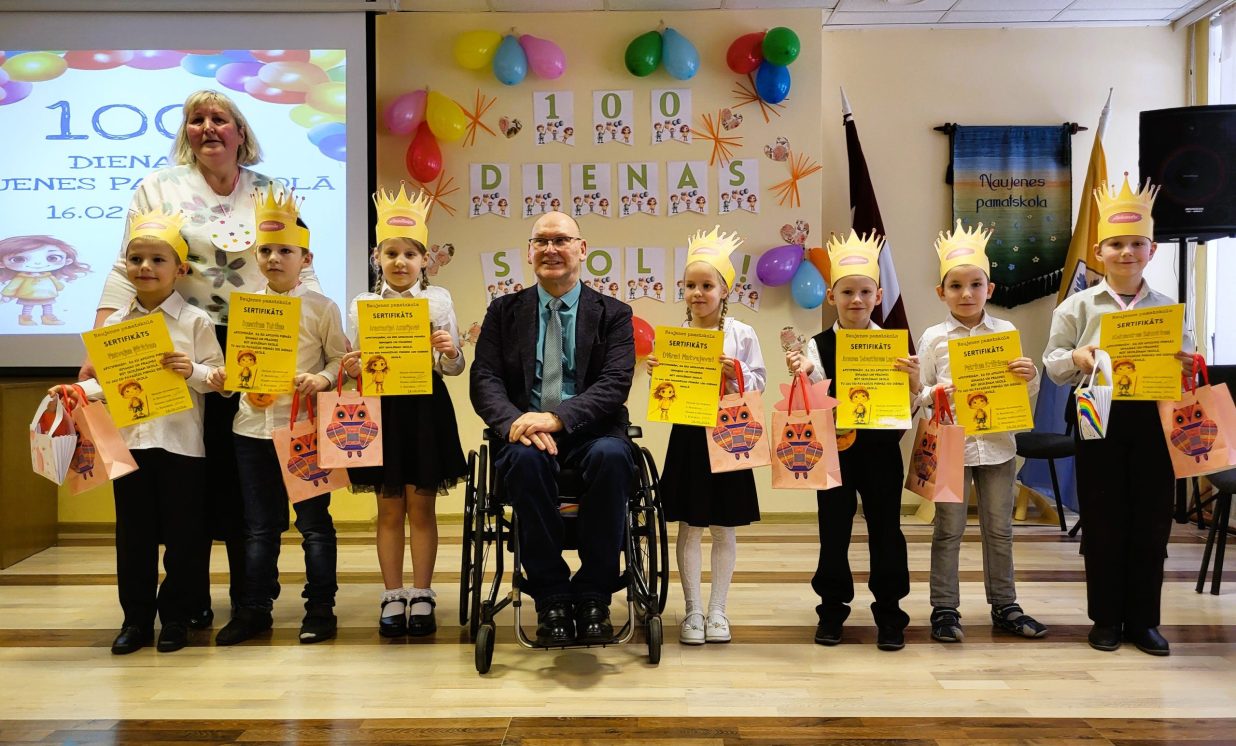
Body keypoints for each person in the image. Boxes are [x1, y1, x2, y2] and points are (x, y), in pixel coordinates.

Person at [89, 89, 321, 632]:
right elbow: (126, 266)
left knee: (247, 477)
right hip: (178, 343)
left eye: (219, 119)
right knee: (185, 480)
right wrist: (99, 342)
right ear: (186, 131)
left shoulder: (271, 192)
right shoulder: (157, 187)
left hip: (259, 340)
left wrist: (309, 337)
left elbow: (301, 267)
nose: (208, 128)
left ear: (241, 131)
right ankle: (188, 599)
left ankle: (251, 598)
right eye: (197, 120)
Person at [51, 208, 223, 654]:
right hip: (130, 445)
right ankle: (136, 621)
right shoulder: (114, 325)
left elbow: (220, 380)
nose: (145, 267)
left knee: (185, 538)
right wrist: (77, 391)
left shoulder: (195, 321)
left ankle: (176, 619)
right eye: (136, 259)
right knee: (133, 537)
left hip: (182, 445)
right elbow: (108, 384)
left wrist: (192, 370)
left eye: (157, 260)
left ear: (179, 269)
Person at [470, 211, 636, 646]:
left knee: (614, 456)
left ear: (582, 249)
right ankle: (551, 595)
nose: (550, 249)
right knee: (524, 461)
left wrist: (558, 418)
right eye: (541, 241)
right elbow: (484, 379)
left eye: (561, 240)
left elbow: (615, 383)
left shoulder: (614, 313)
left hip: (592, 431)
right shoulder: (503, 312)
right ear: (529, 253)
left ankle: (595, 591)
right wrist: (515, 423)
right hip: (526, 433)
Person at [1043, 174, 1193, 656]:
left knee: (1152, 519)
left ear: (1152, 250)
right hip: (1097, 413)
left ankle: (1144, 621)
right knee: (1103, 516)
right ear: (1099, 250)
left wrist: (1187, 365)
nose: (1126, 252)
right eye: (1116, 244)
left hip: (1154, 417)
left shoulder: (1169, 309)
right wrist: (1077, 358)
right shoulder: (1077, 306)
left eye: (1136, 244)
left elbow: (1186, 365)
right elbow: (1052, 362)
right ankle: (1106, 619)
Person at [207, 185, 347, 646]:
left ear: (305, 258)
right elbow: (235, 366)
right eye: (266, 250)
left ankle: (320, 608)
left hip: (302, 429)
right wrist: (226, 377)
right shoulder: (245, 307)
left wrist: (322, 379)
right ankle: (254, 609)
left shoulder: (322, 308)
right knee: (259, 527)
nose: (273, 258)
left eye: (285, 250)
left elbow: (338, 361)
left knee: (314, 525)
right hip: (250, 429)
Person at [342, 185, 468, 638]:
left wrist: (450, 351)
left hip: (425, 410)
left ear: (424, 260)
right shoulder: (362, 305)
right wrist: (353, 369)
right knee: (389, 508)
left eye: (409, 254)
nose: (400, 262)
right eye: (391, 253)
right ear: (377, 257)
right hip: (383, 412)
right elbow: (356, 367)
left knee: (422, 507)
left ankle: (423, 594)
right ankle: (393, 595)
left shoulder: (440, 300)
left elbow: (453, 367)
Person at [785, 230, 918, 651]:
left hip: (881, 453)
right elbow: (811, 406)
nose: (856, 300)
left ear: (879, 296)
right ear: (831, 297)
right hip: (834, 454)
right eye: (847, 292)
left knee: (887, 531)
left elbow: (909, 408)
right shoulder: (816, 346)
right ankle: (831, 610)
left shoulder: (893, 345)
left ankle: (890, 613)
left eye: (864, 292)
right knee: (833, 531)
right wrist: (807, 376)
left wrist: (914, 384)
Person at [916, 220, 1047, 644]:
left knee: (999, 529)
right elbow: (919, 394)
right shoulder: (934, 338)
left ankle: (1005, 605)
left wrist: (1029, 375)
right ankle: (944, 608)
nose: (966, 293)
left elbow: (1021, 392)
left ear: (989, 289)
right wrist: (936, 392)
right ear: (941, 292)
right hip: (951, 446)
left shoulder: (1005, 333)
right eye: (956, 286)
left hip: (997, 445)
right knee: (948, 529)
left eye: (975, 285)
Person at [647, 226, 765, 645]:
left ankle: (718, 611)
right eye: (690, 285)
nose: (698, 293)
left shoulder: (742, 334)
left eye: (707, 285)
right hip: (689, 437)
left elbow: (759, 384)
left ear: (724, 290)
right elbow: (666, 395)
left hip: (730, 434)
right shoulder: (676, 337)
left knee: (724, 526)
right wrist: (657, 373)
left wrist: (738, 372)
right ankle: (693, 610)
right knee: (691, 525)